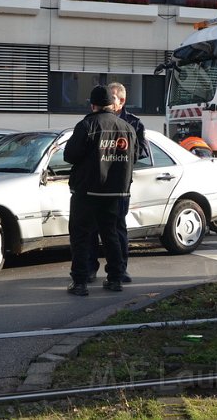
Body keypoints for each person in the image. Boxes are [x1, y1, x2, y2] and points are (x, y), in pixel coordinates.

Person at [65, 85, 138, 296]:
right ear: (112, 105)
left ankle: (79, 282)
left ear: (93, 104)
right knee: (111, 234)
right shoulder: (127, 128)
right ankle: (115, 278)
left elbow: (70, 155)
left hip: (87, 191)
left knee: (81, 236)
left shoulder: (87, 125)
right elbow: (132, 158)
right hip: (116, 191)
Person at [87, 82, 149, 284]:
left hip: (119, 185)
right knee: (92, 228)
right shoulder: (94, 121)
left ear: (121, 100)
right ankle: (89, 269)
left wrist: (117, 154)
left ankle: (119, 269)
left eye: (111, 96)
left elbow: (141, 151)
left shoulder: (133, 123)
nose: (107, 99)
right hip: (96, 184)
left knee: (117, 228)